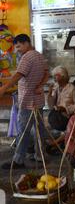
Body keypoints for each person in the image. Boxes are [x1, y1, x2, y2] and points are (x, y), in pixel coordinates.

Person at [0, 34, 49, 169]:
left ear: (26, 43)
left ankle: (18, 160)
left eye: (19, 46)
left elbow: (18, 75)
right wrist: (40, 85)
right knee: (39, 129)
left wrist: (4, 88)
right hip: (38, 100)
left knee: (23, 131)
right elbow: (47, 73)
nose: (17, 50)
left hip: (28, 101)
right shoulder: (39, 55)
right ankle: (40, 156)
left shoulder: (27, 57)